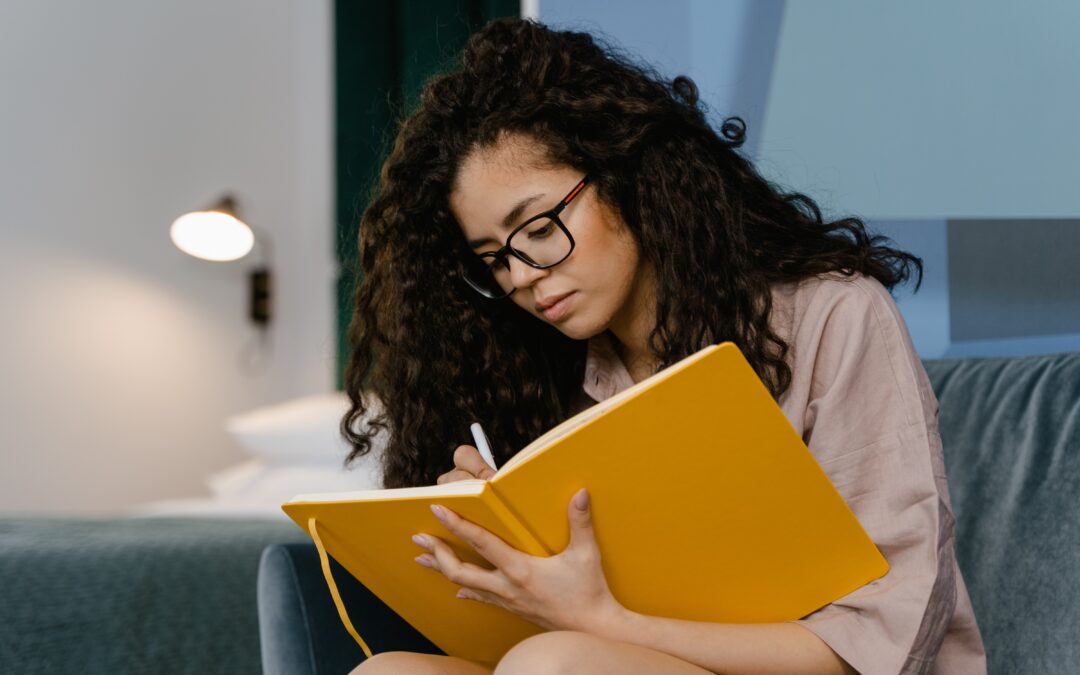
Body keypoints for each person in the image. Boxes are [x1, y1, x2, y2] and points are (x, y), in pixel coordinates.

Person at [339, 17, 986, 675]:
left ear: (624, 174)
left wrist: (601, 621)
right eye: (494, 259)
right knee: (388, 671)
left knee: (555, 664)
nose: (525, 275)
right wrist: (493, 545)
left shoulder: (835, 315)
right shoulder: (547, 371)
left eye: (537, 227)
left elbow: (884, 638)